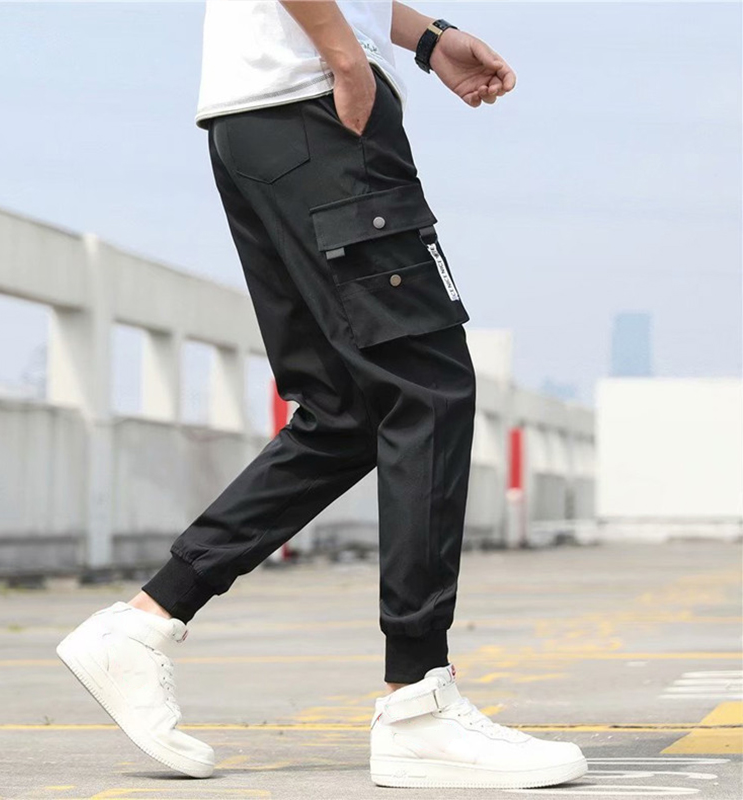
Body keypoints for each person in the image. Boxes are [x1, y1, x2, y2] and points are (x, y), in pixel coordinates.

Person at [57, 0, 588, 789]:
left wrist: (426, 38)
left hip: (259, 123)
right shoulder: (322, 71)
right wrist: (344, 56)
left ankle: (144, 623)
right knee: (426, 388)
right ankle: (417, 705)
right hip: (315, 104)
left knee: (347, 411)